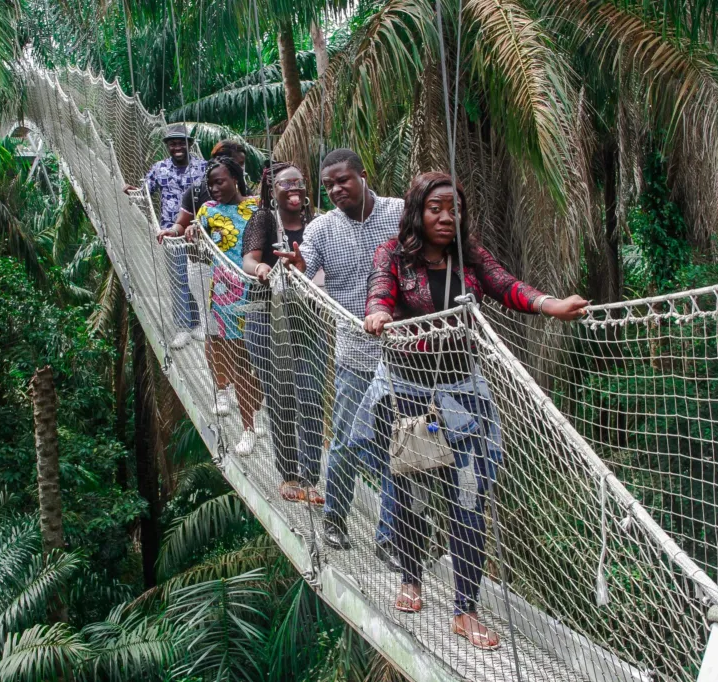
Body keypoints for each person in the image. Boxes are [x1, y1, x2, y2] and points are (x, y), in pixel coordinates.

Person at [358, 171, 588, 650]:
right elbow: (380, 291)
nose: (447, 217)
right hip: (408, 395)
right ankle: (411, 578)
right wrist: (378, 312)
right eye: (436, 209)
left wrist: (550, 305)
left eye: (454, 209)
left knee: (468, 499)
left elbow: (507, 286)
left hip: (463, 394)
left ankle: (465, 610)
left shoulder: (471, 256)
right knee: (411, 494)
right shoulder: (393, 256)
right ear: (417, 212)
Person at [274, 149, 401, 569]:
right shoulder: (322, 228)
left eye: (343, 180)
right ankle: (334, 518)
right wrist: (297, 267)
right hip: (355, 353)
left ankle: (390, 536)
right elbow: (304, 267)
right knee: (347, 440)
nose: (335, 190)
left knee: (398, 446)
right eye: (328, 185)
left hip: (404, 355)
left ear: (363, 175)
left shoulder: (399, 213)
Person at [242, 162, 325, 505]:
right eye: (285, 184)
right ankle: (289, 473)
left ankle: (311, 477)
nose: (294, 189)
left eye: (299, 182)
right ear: (272, 190)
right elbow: (248, 260)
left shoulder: (317, 222)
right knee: (280, 396)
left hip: (308, 317)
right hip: (266, 314)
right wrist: (261, 267)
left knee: (311, 394)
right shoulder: (263, 219)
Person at [180, 156, 263, 456]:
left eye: (220, 182)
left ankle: (256, 410)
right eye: (210, 184)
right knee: (240, 363)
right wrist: (191, 236)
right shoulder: (207, 210)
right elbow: (197, 251)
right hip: (226, 295)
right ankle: (249, 428)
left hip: (259, 292)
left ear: (236, 179)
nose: (214, 189)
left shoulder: (258, 206)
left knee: (260, 363)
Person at [125, 124, 207, 349]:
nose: (177, 147)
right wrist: (132, 191)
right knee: (178, 278)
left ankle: (198, 323)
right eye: (172, 144)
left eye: (181, 143)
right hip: (170, 234)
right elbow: (145, 192)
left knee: (197, 278)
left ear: (190, 144)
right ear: (168, 147)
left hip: (198, 233)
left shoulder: (203, 168)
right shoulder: (159, 169)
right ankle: (182, 328)